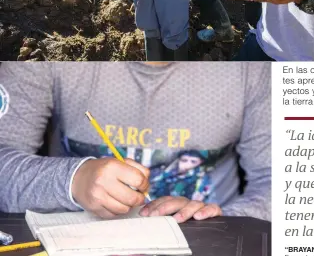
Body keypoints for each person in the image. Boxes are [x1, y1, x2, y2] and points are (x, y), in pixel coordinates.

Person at [0, 61, 271, 222]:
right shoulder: (39, 53)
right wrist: (73, 180)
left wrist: (218, 220)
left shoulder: (253, 65)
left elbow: (283, 185)